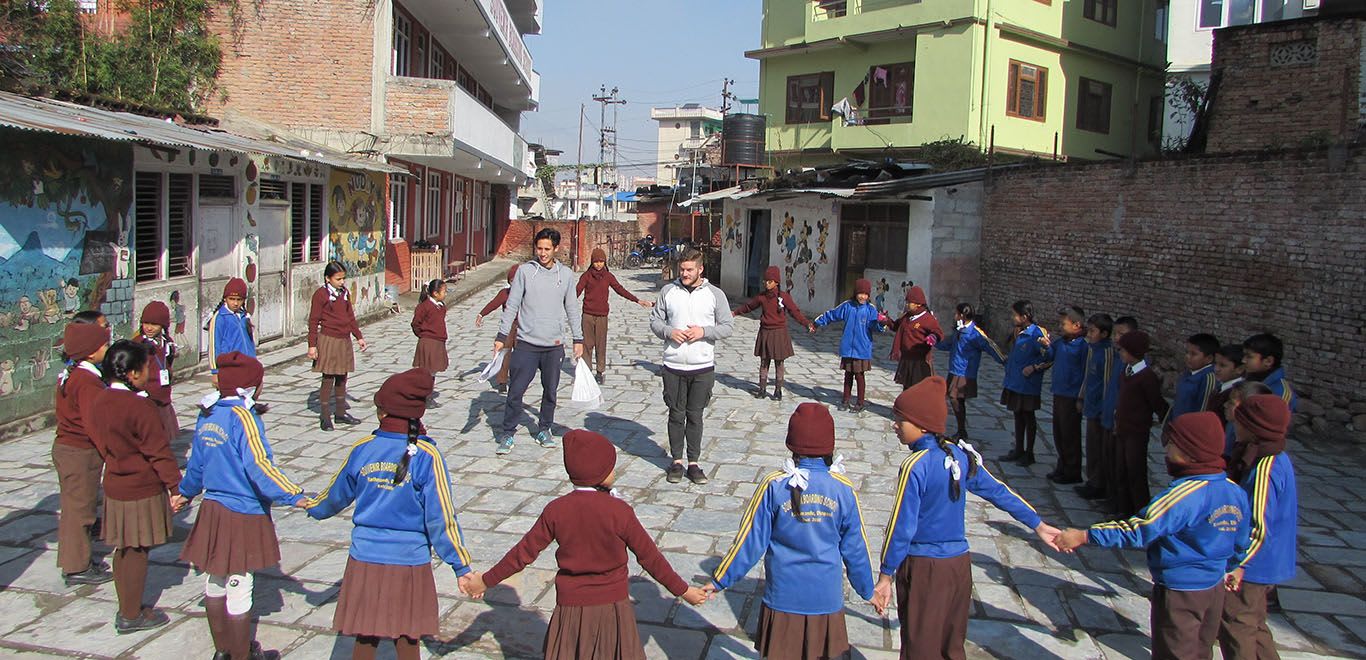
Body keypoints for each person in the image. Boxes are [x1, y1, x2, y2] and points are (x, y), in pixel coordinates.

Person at [466, 430, 709, 657]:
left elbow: (522, 554)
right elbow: (650, 557)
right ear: (601, 473)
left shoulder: (556, 510)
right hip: (613, 610)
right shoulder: (619, 511)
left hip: (570, 612)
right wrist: (684, 591)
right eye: (611, 467)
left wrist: (484, 581)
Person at [873, 376, 1061, 659]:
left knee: (920, 646)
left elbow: (902, 525)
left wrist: (886, 574)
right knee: (951, 643)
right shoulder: (960, 456)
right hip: (958, 566)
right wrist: (1038, 523)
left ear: (922, 424)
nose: (895, 425)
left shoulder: (916, 466)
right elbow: (999, 491)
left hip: (925, 567)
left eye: (901, 419)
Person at [305, 369, 478, 660]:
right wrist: (461, 566)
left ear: (382, 412)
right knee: (408, 638)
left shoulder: (363, 449)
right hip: (409, 561)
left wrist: (312, 507)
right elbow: (442, 518)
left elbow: (335, 495)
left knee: (365, 636)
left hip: (365, 558)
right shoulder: (427, 456)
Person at [1057, 412, 1251, 660]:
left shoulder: (1183, 496)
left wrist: (1085, 535)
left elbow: (1140, 529)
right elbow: (1242, 536)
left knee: (1175, 652)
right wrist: (1237, 565)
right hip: (1213, 588)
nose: (1166, 450)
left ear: (1190, 451)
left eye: (1171, 444)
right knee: (1201, 650)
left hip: (1180, 591)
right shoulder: (1234, 490)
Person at [707, 403, 874, 659]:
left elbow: (749, 541)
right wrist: (867, 589)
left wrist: (720, 579)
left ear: (791, 443)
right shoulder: (842, 488)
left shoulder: (774, 485)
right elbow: (855, 547)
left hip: (783, 598)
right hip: (825, 599)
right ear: (830, 445)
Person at [177, 352, 305, 660]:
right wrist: (293, 494)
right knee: (239, 581)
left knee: (215, 577)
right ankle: (241, 654)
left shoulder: (207, 413)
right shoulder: (244, 418)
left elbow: (197, 463)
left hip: (213, 507)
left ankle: (223, 650)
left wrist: (185, 492)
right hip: (242, 509)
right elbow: (259, 466)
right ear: (252, 387)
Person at [91, 340, 182, 633]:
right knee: (137, 550)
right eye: (145, 369)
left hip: (115, 482)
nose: (148, 374)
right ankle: (131, 614)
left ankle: (126, 605)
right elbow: (158, 451)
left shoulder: (99, 401)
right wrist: (175, 487)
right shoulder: (139, 406)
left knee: (124, 548)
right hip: (140, 486)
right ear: (131, 373)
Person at [493, 228, 584, 454]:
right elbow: (512, 305)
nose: (542, 253)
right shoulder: (524, 272)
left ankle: (544, 428)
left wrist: (578, 338)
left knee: (550, 392)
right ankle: (508, 433)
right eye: (539, 248)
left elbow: (572, 307)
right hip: (526, 344)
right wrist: (502, 336)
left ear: (555, 249)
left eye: (547, 249)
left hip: (553, 346)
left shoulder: (565, 275)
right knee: (516, 390)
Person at [1220, 394, 1297, 660]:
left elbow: (1258, 524)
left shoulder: (1265, 467)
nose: (1235, 426)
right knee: (1255, 624)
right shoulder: (1272, 455)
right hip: (1267, 560)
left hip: (1255, 564)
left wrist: (1238, 564)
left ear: (1254, 429)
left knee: (1236, 625)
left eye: (1240, 421)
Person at [650, 249, 733, 484]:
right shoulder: (668, 291)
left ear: (700, 269)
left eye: (689, 270)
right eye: (682, 269)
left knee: (695, 416)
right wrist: (669, 332)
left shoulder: (715, 294)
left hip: (702, 366)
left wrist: (704, 332)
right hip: (673, 364)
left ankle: (694, 463)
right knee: (676, 415)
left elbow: (727, 326)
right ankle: (676, 462)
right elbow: (655, 320)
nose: (684, 273)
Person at [52, 316, 113, 586]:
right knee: (79, 510)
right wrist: (110, 453)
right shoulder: (86, 381)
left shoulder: (73, 373)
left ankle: (79, 558)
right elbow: (93, 422)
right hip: (79, 452)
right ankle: (76, 567)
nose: (106, 349)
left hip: (70, 449)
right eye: (103, 345)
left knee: (79, 506)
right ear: (91, 351)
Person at [1112, 330, 1171, 519]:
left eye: (1123, 350)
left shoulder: (1147, 377)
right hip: (1122, 428)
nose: (1120, 353)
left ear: (1133, 352)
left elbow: (1157, 402)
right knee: (1120, 470)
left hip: (1137, 432)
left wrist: (1166, 421)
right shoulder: (1126, 372)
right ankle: (1123, 509)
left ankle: (1140, 511)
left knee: (1135, 472)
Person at [731, 266, 812, 401]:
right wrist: (735, 312)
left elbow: (795, 312)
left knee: (779, 362)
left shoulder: (784, 297)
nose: (767, 284)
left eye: (770, 281)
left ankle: (778, 390)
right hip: (766, 331)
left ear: (776, 282)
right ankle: (762, 389)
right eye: (765, 281)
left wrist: (806, 323)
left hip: (779, 332)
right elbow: (749, 306)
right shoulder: (762, 297)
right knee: (764, 361)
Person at [577, 247, 653, 384]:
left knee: (601, 344)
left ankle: (600, 371)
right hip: (587, 314)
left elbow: (620, 290)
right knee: (587, 344)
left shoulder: (608, 276)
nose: (598, 264)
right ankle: (586, 371)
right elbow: (575, 292)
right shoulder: (586, 276)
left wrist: (637, 300)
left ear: (605, 262)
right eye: (596, 261)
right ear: (592, 262)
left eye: (601, 261)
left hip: (602, 316)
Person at [308, 261, 368, 432]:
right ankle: (325, 415)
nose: (342, 282)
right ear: (328, 279)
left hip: (343, 340)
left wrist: (359, 337)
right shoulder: (321, 295)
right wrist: (312, 345)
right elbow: (313, 321)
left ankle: (340, 413)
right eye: (338, 279)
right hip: (329, 339)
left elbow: (350, 317)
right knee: (328, 377)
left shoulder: (344, 293)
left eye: (343, 279)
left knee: (342, 376)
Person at [811, 279, 886, 414]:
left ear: (869, 295)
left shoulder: (870, 310)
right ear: (855, 293)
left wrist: (882, 323)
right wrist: (817, 323)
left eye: (865, 294)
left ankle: (860, 402)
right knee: (848, 375)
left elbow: (876, 327)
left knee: (859, 376)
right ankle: (845, 400)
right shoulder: (847, 306)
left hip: (862, 348)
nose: (862, 297)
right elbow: (832, 315)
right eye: (860, 293)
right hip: (847, 347)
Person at [936, 303, 1005, 441]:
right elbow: (949, 344)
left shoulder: (975, 334)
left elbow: (990, 346)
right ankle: (961, 430)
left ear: (962, 315)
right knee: (955, 400)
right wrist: (934, 342)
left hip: (965, 373)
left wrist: (1004, 360)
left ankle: (962, 431)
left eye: (956, 314)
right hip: (954, 370)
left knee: (956, 400)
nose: (955, 317)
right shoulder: (959, 331)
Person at [1038, 306, 1089, 484]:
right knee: (1059, 432)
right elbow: (1051, 356)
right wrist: (1046, 346)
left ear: (1077, 325)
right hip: (1058, 392)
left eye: (1063, 324)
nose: (1060, 327)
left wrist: (1081, 397)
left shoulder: (1083, 346)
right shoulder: (1062, 342)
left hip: (1072, 395)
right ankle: (1062, 465)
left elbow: (1086, 373)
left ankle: (1073, 470)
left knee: (1070, 434)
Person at [997, 300, 1049, 467]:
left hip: (1028, 384)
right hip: (1015, 381)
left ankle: (1030, 452)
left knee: (1028, 416)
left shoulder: (1037, 333)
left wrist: (1034, 367)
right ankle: (1019, 448)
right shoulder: (1018, 332)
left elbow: (1050, 357)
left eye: (1015, 314)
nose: (1012, 317)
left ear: (1024, 316)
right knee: (1017, 415)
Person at [1100, 316, 1138, 510]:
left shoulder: (1135, 367)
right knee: (1109, 460)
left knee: (1123, 466)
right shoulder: (1117, 358)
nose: (1117, 338)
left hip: (1123, 423)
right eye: (1116, 333)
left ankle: (1123, 504)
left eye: (1121, 334)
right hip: (1109, 416)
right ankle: (1110, 496)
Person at [1075, 313, 1114, 501]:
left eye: (1093, 331)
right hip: (1090, 405)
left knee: (1099, 448)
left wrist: (1105, 408)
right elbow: (1088, 378)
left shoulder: (1107, 353)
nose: (1089, 334)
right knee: (1090, 446)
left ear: (1104, 334)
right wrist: (1081, 397)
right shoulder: (1092, 349)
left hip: (1100, 409)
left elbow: (1107, 383)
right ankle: (1091, 480)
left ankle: (1099, 483)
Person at [133, 301, 180, 441]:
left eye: (154, 324)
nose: (149, 328)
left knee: (164, 435)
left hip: (163, 394)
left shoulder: (167, 342)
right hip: (147, 396)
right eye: (146, 323)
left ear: (163, 326)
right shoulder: (138, 344)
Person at [475, 265, 522, 394]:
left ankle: (518, 379)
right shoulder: (504, 293)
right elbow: (493, 304)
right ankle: (502, 381)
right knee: (504, 353)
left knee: (521, 355)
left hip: (523, 327)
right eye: (513, 281)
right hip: (507, 326)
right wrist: (481, 314)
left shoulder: (527, 294)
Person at [889, 286, 942, 390]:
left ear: (918, 304)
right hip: (907, 358)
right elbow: (896, 326)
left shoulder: (927, 318)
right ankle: (906, 406)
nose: (907, 305)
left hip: (919, 361)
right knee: (907, 387)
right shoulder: (907, 317)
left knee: (918, 388)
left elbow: (938, 332)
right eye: (907, 302)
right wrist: (885, 320)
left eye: (909, 302)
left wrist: (933, 337)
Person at [1164, 333, 1220, 428]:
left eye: (1193, 354)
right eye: (1187, 352)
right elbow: (1177, 401)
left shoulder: (1208, 378)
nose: (1187, 356)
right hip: (1176, 427)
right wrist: (1167, 424)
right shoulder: (1188, 373)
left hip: (1188, 432)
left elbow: (1203, 411)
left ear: (1209, 358)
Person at [410, 279, 449, 407]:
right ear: (435, 293)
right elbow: (416, 323)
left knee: (433, 371)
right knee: (427, 371)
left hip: (438, 341)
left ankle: (427, 395)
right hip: (428, 341)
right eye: (444, 291)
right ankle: (424, 396)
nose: (446, 294)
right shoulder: (424, 306)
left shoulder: (440, 306)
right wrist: (423, 335)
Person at [206, 278, 256, 375]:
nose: (235, 303)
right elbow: (214, 345)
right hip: (229, 369)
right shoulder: (219, 318)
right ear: (225, 298)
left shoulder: (244, 316)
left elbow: (250, 342)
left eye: (239, 300)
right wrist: (215, 371)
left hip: (247, 366)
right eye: (232, 299)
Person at [1242, 333, 1297, 413]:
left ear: (1268, 361)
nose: (1243, 360)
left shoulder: (1280, 393)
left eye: (1249, 357)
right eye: (1244, 356)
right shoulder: (1246, 380)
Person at [1207, 344, 1246, 427]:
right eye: (1215, 364)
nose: (1216, 369)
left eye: (1222, 365)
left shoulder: (1236, 393)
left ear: (1239, 369)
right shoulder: (1220, 387)